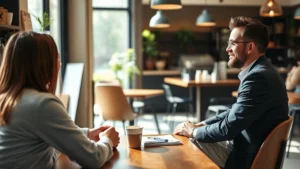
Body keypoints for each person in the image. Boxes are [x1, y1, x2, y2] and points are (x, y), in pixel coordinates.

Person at [173, 16, 289, 169]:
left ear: (250, 47)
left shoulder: (257, 77)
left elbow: (227, 129)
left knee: (185, 143)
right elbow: (234, 113)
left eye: (233, 43)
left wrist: (193, 131)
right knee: (190, 134)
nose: (227, 49)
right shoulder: (262, 71)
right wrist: (201, 124)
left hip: (246, 158)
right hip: (245, 146)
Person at [0, 31, 120, 169]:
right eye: (57, 56)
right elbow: (93, 159)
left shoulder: (8, 99)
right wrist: (108, 140)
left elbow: (38, 132)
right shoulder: (41, 104)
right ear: (45, 64)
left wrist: (87, 134)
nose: (60, 63)